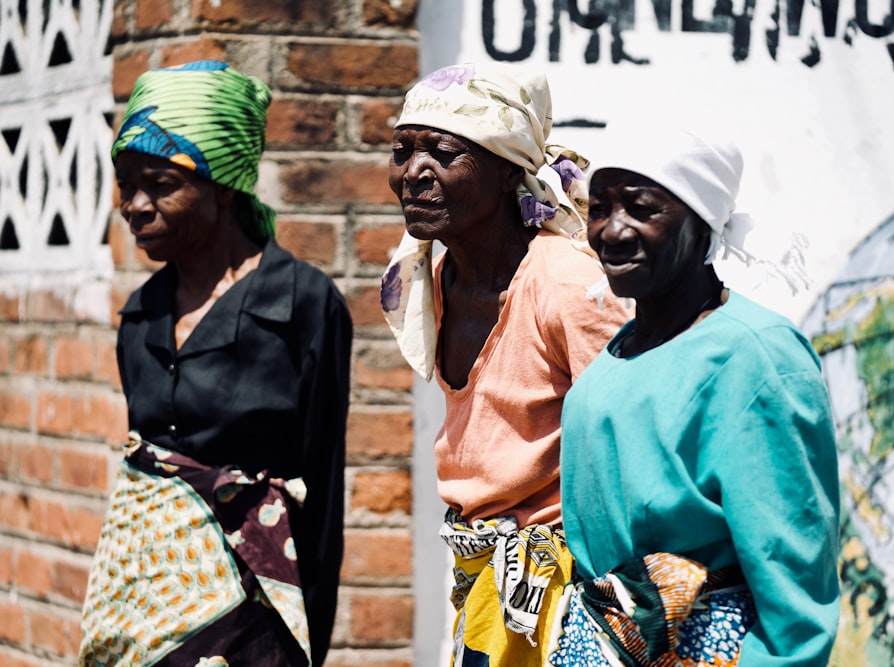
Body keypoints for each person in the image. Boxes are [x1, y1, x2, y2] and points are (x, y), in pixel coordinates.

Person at [79, 60, 352, 666]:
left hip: (251, 627)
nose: (135, 206)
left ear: (223, 184)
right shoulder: (142, 314)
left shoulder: (300, 305)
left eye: (160, 182)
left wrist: (311, 645)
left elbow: (323, 495)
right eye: (126, 184)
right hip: (144, 620)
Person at [551, 123, 840, 666]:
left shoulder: (757, 356)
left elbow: (796, 584)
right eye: (600, 208)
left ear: (701, 221)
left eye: (641, 209)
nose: (612, 232)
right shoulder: (615, 357)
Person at [379, 63, 631, 666]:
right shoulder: (437, 280)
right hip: (488, 579)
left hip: (572, 600)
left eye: (442, 153)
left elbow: (632, 445)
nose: (414, 174)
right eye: (402, 151)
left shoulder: (567, 285)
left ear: (504, 171)